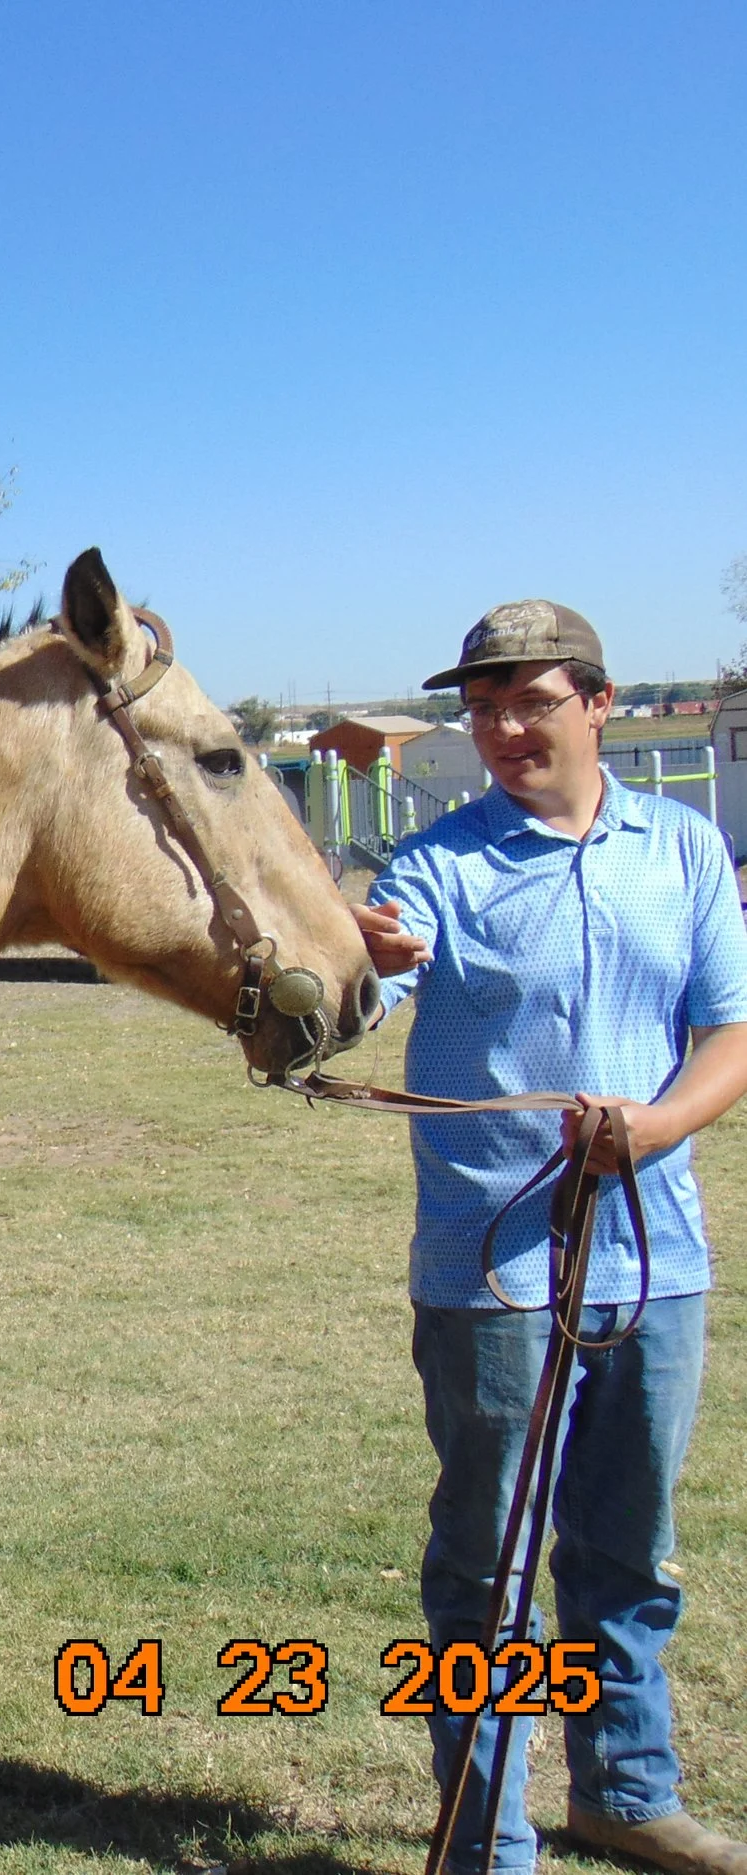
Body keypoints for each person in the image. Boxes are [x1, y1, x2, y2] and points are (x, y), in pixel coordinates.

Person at [354, 600, 747, 1875]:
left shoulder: (683, 850)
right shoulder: (435, 867)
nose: (501, 728)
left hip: (655, 1261)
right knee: (487, 1567)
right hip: (493, 1268)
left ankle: (624, 1795)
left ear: (597, 702)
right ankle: (487, 1838)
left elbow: (727, 1033)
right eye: (481, 707)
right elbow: (363, 995)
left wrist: (655, 1126)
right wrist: (351, 958)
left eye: (527, 700)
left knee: (625, 1549)